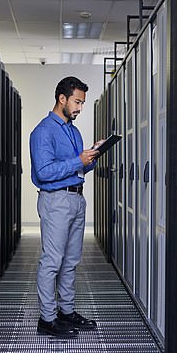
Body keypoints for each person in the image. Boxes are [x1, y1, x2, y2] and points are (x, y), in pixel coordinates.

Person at [29, 76, 105, 338]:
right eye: (76, 102)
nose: (79, 108)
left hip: (76, 199)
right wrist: (77, 160)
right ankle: (47, 319)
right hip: (56, 200)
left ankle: (67, 311)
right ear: (61, 98)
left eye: (82, 103)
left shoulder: (73, 131)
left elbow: (78, 166)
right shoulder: (43, 131)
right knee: (52, 261)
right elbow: (43, 171)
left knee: (71, 261)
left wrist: (92, 155)